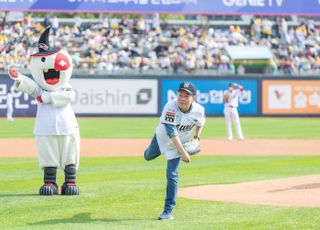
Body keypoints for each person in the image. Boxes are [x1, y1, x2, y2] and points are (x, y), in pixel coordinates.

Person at [144, 82, 206, 220]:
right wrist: (184, 153)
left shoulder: (199, 110)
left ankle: (167, 211)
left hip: (180, 143)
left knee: (172, 175)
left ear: (193, 98)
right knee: (148, 156)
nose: (182, 98)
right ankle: (150, 151)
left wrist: (197, 137)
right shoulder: (170, 107)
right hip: (162, 139)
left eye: (186, 96)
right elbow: (171, 132)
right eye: (180, 95)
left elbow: (201, 123)